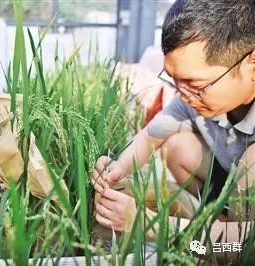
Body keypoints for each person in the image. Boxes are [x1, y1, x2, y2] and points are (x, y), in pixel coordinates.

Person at [91, 0, 255, 249]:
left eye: (195, 84)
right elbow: (151, 136)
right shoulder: (192, 98)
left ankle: (218, 240)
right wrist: (116, 169)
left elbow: (250, 249)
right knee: (177, 144)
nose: (183, 93)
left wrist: (149, 225)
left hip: (245, 205)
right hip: (228, 184)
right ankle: (216, 223)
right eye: (175, 81)